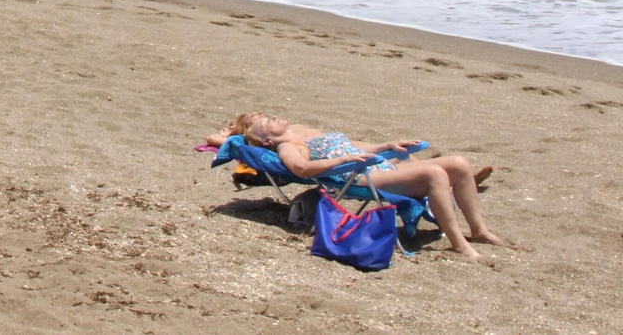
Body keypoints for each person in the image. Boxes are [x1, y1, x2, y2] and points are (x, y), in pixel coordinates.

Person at [211, 112, 506, 265]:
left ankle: (479, 231)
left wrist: (387, 146)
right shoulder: (289, 147)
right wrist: (342, 161)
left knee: (459, 163)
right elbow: (302, 170)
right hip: (358, 177)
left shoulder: (306, 133)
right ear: (266, 141)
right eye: (266, 122)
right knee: (434, 172)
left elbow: (353, 145)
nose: (272, 117)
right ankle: (459, 243)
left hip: (375, 165)